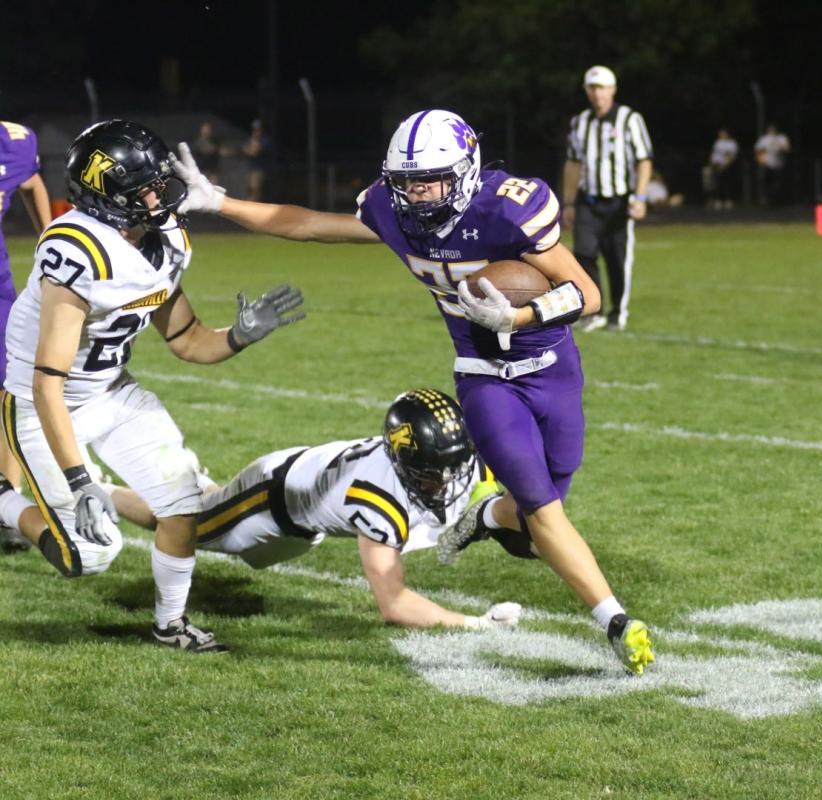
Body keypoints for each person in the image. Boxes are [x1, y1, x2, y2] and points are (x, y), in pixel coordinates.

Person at [171, 108, 655, 673]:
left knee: (533, 526)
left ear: (467, 169)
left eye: (433, 180)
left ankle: (486, 519)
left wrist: (518, 318)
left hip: (550, 367)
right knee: (544, 510)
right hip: (482, 375)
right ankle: (615, 621)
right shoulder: (390, 210)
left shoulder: (509, 207)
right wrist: (220, 203)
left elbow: (588, 294)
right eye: (407, 182)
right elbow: (305, 223)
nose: (420, 194)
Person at [0, 119, 306, 653]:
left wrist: (239, 335)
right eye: (143, 186)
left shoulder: (166, 238)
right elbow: (48, 382)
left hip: (111, 391)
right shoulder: (77, 249)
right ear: (108, 196)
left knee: (182, 502)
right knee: (88, 557)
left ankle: (170, 625)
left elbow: (187, 340)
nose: (158, 193)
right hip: (39, 404)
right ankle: (2, 497)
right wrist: (80, 482)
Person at [102, 388, 522, 631]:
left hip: (306, 513)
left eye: (454, 466)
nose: (448, 481)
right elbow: (393, 604)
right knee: (182, 527)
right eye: (433, 474)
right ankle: (103, 493)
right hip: (270, 498)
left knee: (221, 515)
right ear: (402, 462)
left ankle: (197, 483)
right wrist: (474, 623)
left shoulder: (456, 456)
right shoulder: (377, 500)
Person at [562, 65, 653, 332]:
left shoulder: (628, 119)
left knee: (617, 258)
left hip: (618, 201)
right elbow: (572, 163)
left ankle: (617, 313)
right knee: (583, 254)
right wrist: (568, 202)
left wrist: (640, 196)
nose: (597, 93)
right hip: (588, 200)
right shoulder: (580, 122)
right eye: (592, 88)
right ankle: (594, 310)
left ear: (612, 89)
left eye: (602, 87)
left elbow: (643, 160)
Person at [0, 120, 52, 518]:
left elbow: (31, 182)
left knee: (9, 387)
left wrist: (50, 240)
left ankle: (5, 496)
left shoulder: (13, 142)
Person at [754, 123, 791, 206]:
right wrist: (761, 161)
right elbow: (758, 151)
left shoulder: (782, 138)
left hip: (779, 165)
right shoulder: (764, 139)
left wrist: (778, 144)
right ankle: (767, 201)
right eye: (770, 129)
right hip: (767, 165)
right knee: (766, 183)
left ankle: (777, 201)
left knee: (778, 184)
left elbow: (787, 149)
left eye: (773, 129)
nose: (772, 131)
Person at [706, 128, 739, 210]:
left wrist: (724, 166)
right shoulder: (717, 143)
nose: (722, 135)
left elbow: (732, 156)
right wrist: (711, 164)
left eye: (724, 133)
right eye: (721, 133)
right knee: (717, 184)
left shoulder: (732, 143)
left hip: (727, 167)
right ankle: (718, 200)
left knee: (727, 184)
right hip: (717, 166)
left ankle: (728, 200)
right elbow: (713, 154)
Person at [242, 119, 269, 202]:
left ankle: (254, 208)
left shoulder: (265, 140)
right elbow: (244, 149)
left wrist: (251, 148)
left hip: (259, 169)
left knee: (255, 190)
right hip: (250, 168)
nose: (255, 131)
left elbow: (255, 152)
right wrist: (250, 149)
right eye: (254, 129)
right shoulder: (250, 139)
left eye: (257, 129)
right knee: (249, 189)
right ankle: (251, 206)